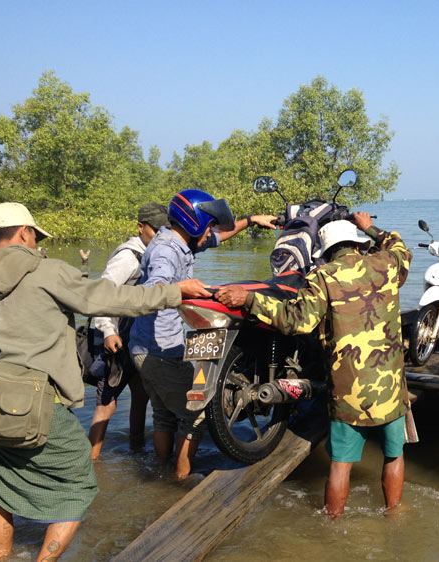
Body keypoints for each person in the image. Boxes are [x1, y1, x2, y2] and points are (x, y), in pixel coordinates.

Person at [0, 202, 210, 561]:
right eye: (34, 237)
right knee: (79, 487)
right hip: (38, 404)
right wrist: (175, 292)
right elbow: (112, 298)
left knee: (2, 492)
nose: (35, 244)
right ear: (24, 233)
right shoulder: (46, 271)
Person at [214, 212, 412, 518]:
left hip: (349, 390)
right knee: (394, 454)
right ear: (357, 245)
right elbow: (400, 246)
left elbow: (296, 321)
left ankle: (332, 523)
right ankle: (393, 515)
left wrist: (249, 300)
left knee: (341, 465)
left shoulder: (322, 277)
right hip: (391, 387)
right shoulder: (386, 264)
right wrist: (369, 226)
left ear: (326, 253)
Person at [128, 190, 277, 480]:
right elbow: (152, 290)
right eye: (208, 226)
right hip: (159, 351)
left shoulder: (179, 241)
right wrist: (183, 289)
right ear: (193, 222)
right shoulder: (167, 251)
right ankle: (180, 481)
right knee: (197, 414)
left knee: (164, 415)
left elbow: (218, 237)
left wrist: (251, 220)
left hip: (145, 347)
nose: (210, 232)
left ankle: (161, 473)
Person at [87, 202, 169, 459]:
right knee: (107, 404)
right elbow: (102, 293)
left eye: (164, 230)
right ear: (140, 227)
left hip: (136, 339)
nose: (160, 235)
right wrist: (108, 331)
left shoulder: (155, 254)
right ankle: (90, 464)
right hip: (116, 339)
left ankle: (137, 451)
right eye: (155, 230)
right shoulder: (128, 257)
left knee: (141, 395)